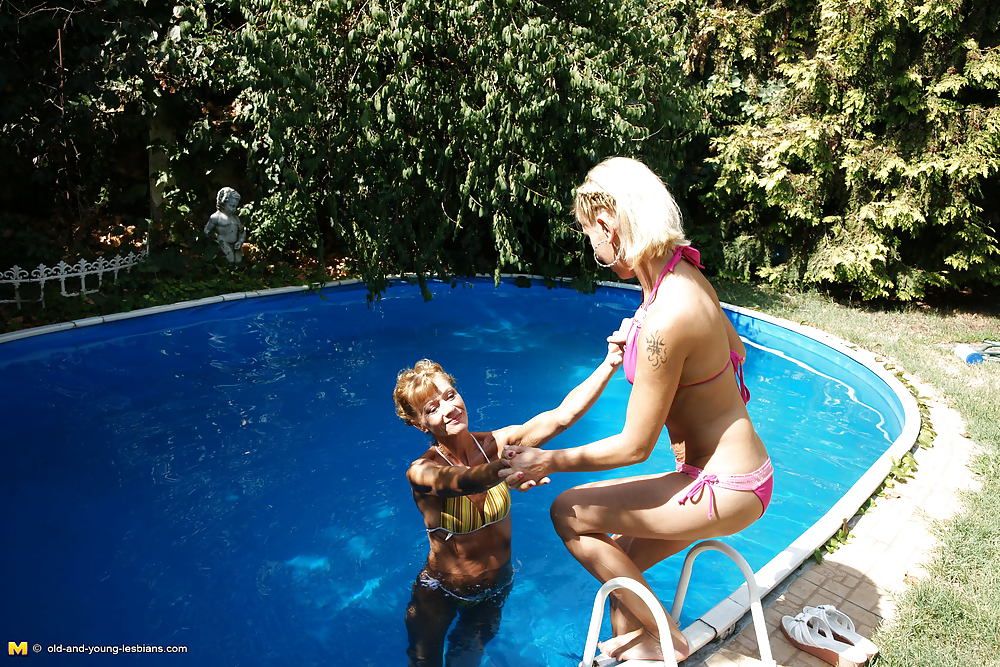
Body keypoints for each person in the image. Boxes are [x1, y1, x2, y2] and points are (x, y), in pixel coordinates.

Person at [500, 157, 771, 663]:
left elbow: (634, 446)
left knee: (568, 512)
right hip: (735, 471)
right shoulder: (679, 276)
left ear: (607, 222)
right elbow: (735, 352)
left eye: (589, 236)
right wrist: (649, 351)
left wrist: (548, 461)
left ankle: (670, 639)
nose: (593, 249)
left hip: (723, 486)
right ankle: (641, 650)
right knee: (621, 566)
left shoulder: (667, 313)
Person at [393, 344, 624, 667]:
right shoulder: (421, 471)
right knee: (424, 663)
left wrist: (610, 363)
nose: (448, 409)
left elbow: (561, 417)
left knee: (466, 659)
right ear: (420, 424)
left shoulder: (497, 444)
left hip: (496, 587)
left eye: (450, 396)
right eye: (432, 408)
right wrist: (505, 468)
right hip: (440, 592)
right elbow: (462, 480)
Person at [204, 187, 246, 263]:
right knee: (229, 259)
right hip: (223, 245)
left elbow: (242, 231)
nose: (234, 209)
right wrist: (216, 240)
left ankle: (236, 272)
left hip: (235, 245)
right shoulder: (216, 217)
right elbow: (207, 231)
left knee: (238, 261)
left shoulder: (235, 218)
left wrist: (240, 241)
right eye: (232, 206)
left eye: (235, 206)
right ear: (223, 203)